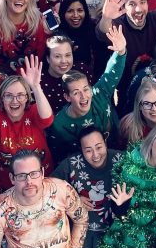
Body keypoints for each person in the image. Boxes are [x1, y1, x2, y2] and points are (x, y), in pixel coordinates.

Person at [53, 126, 125, 248]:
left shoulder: (120, 159)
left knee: (110, 242)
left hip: (111, 219)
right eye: (88, 150)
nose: (95, 155)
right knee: (84, 246)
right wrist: (73, 199)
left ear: (105, 142)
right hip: (83, 223)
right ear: (81, 150)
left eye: (99, 147)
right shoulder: (71, 164)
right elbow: (51, 187)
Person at [48, 25, 126, 160]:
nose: (84, 96)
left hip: (117, 152)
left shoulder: (98, 94)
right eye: (76, 93)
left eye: (86, 89)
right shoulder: (60, 125)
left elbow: (110, 73)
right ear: (67, 97)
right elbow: (60, 156)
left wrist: (120, 51)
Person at [0, 55, 55, 185]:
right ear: (2, 98)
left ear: (27, 98)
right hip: (11, 184)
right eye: (9, 96)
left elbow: (47, 120)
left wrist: (36, 86)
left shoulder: (33, 111)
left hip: (43, 179)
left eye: (20, 95)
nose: (15, 101)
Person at [57, 0, 109, 77]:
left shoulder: (93, 28)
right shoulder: (58, 34)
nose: (76, 15)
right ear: (63, 13)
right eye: (70, 11)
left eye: (80, 10)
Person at [41, 34, 90, 113]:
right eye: (57, 56)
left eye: (67, 55)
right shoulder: (39, 81)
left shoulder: (82, 70)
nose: (64, 61)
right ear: (48, 59)